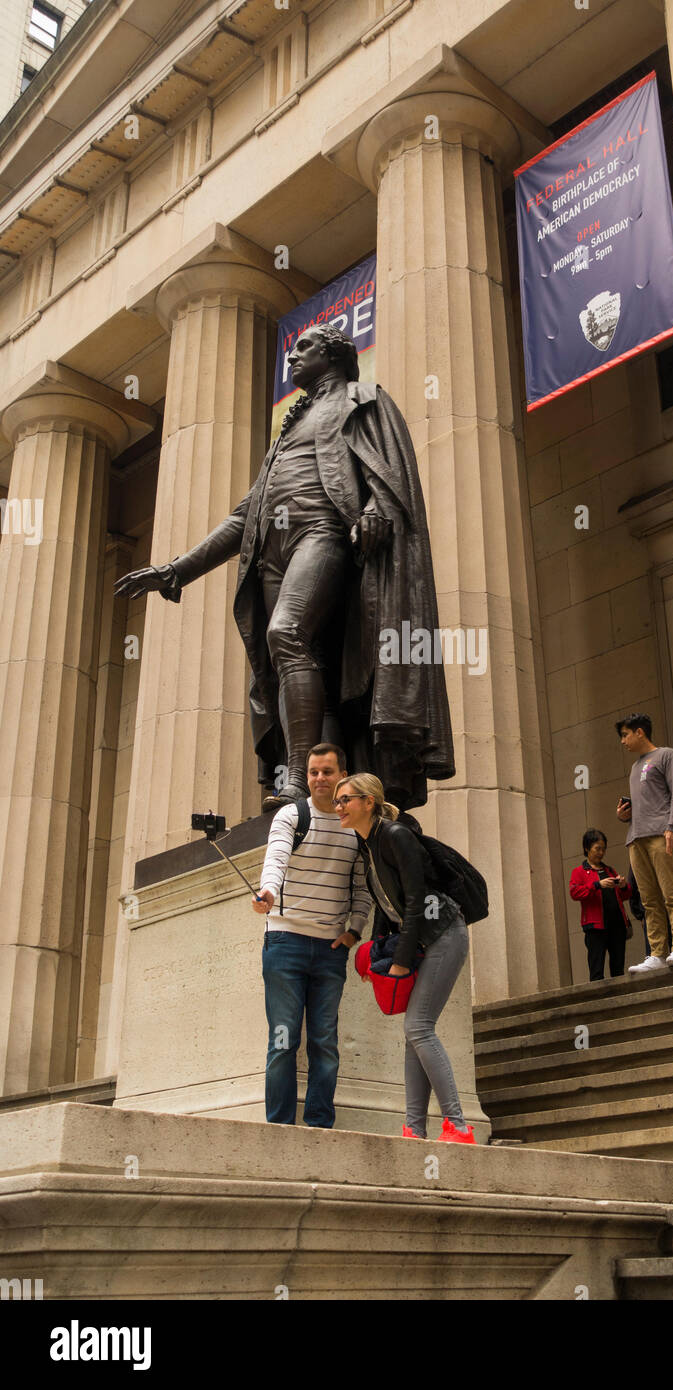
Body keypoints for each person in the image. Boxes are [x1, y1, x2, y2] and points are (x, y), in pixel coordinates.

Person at [114, 324, 454, 812]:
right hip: (271, 554)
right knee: (307, 666)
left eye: (304, 349)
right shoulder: (288, 429)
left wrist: (378, 509)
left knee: (286, 632)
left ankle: (296, 778)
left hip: (324, 532)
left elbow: (389, 471)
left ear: (334, 354)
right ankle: (327, 787)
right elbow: (243, 515)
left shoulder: (361, 398)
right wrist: (176, 571)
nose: (292, 358)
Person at [333, 772, 475, 1144]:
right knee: (414, 1031)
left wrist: (400, 959)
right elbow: (386, 907)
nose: (339, 807)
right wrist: (378, 950)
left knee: (418, 1027)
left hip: (444, 933)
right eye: (337, 801)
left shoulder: (396, 836)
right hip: (423, 941)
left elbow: (415, 902)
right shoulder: (368, 844)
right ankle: (414, 1128)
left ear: (368, 802)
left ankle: (458, 1126)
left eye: (345, 799)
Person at [252, 743, 372, 1127]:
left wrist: (355, 930)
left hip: (330, 950)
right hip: (284, 943)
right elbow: (276, 859)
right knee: (283, 1042)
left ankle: (319, 1126)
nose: (320, 779)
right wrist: (268, 892)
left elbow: (362, 886)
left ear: (342, 775)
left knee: (325, 1044)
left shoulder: (352, 826)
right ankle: (280, 1128)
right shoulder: (291, 815)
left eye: (328, 772)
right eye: (314, 772)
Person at [615, 712, 673, 972]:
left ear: (640, 732)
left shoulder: (666, 755)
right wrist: (625, 815)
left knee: (672, 892)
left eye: (625, 734)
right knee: (649, 900)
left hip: (661, 833)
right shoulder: (635, 768)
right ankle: (657, 952)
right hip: (636, 837)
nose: (622, 741)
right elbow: (647, 802)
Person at [569, 829, 632, 981]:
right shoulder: (579, 872)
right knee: (596, 970)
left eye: (603, 849)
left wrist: (623, 885)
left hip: (617, 925)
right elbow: (575, 893)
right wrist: (597, 884)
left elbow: (625, 895)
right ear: (587, 848)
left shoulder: (609, 870)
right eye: (597, 848)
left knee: (618, 969)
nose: (601, 852)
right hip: (596, 927)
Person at [626, 847, 673, 970]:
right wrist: (639, 914)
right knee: (650, 903)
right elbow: (634, 889)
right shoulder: (638, 855)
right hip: (653, 916)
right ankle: (657, 954)